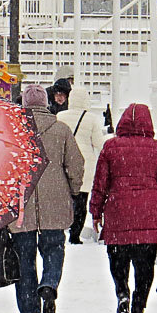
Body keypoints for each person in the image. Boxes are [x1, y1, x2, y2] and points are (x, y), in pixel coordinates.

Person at [89, 103, 157, 313]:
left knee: (118, 259)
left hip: (119, 211)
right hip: (149, 212)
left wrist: (95, 211)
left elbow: (100, 182)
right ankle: (139, 304)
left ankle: (122, 293)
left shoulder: (111, 147)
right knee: (145, 264)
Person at [9, 84, 84, 313]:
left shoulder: (11, 132)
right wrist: (72, 190)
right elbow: (76, 165)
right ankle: (49, 283)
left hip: (22, 202)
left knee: (24, 255)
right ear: (45, 103)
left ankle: (29, 306)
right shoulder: (61, 129)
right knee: (53, 248)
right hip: (55, 200)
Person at [56, 87, 108, 244]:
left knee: (66, 200)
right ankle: (75, 234)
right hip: (85, 164)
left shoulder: (60, 116)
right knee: (81, 201)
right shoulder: (91, 119)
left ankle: (62, 228)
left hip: (65, 162)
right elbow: (99, 143)